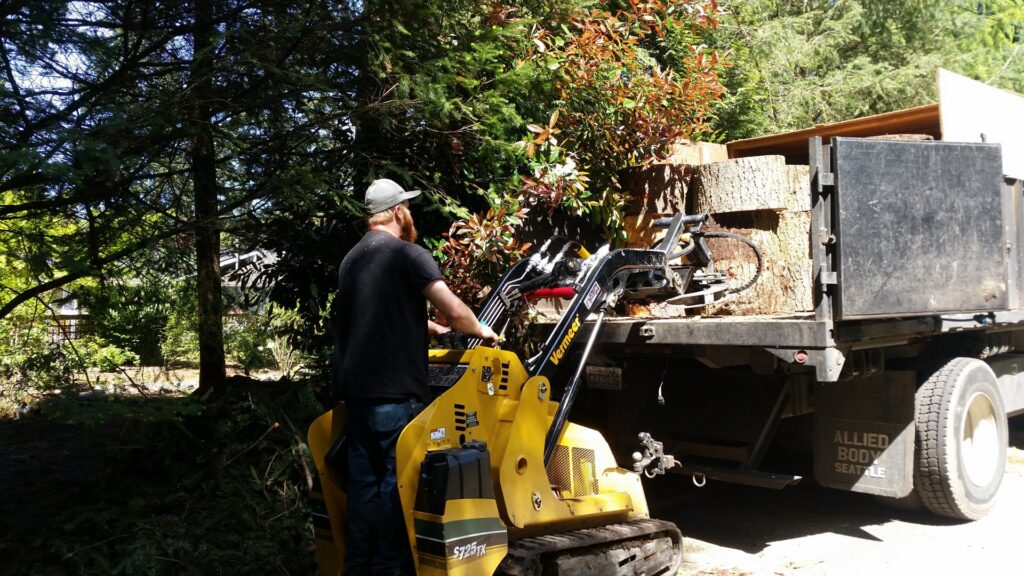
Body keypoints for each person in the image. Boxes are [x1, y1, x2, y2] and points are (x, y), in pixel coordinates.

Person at [332, 178, 498, 576]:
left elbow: (375, 313)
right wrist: (482, 330)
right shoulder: (408, 254)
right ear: (396, 212)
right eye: (406, 206)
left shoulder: (351, 260)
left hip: (357, 395)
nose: (409, 212)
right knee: (397, 483)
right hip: (395, 395)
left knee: (364, 486)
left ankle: (358, 567)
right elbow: (454, 309)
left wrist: (428, 329)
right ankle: (391, 569)